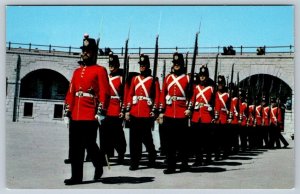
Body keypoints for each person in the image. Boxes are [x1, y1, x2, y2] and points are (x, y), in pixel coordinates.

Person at [63, 34, 110, 185]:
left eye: (88, 50)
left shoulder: (100, 70)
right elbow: (71, 91)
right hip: (76, 113)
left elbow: (105, 92)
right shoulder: (77, 72)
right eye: (84, 50)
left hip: (91, 114)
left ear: (94, 53)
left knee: (89, 144)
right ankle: (76, 177)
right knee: (76, 146)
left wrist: (101, 111)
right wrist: (67, 110)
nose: (85, 53)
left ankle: (98, 164)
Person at [124, 54, 159, 171]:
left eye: (144, 65)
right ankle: (134, 161)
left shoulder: (153, 80)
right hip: (134, 111)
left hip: (146, 112)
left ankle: (152, 156)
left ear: (148, 66)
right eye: (141, 65)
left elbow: (157, 97)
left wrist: (154, 110)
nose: (142, 67)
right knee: (134, 140)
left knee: (147, 138)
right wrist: (128, 110)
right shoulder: (135, 79)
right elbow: (130, 94)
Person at [158, 52, 191, 174]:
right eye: (175, 63)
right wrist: (161, 111)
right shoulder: (168, 78)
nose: (176, 65)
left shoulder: (188, 78)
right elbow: (163, 94)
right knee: (170, 142)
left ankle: (184, 163)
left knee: (182, 142)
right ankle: (171, 166)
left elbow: (192, 96)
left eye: (178, 63)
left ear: (182, 64)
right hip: (169, 113)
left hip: (182, 113)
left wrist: (190, 108)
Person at [99, 53, 127, 164]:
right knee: (104, 135)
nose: (111, 66)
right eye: (110, 64)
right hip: (106, 109)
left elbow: (125, 95)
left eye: (113, 64)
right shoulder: (106, 78)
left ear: (117, 65)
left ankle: (121, 153)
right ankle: (105, 158)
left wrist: (123, 110)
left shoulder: (121, 78)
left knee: (117, 135)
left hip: (116, 109)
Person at [190, 65, 215, 166]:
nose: (202, 77)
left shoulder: (212, 89)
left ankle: (208, 158)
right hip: (196, 116)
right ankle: (198, 159)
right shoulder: (196, 88)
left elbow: (215, 102)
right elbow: (192, 100)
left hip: (206, 117)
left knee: (207, 140)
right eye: (201, 75)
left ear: (207, 76)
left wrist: (212, 109)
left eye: (204, 76)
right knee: (197, 141)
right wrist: (190, 109)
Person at [214, 75, 230, 159]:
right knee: (216, 138)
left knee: (224, 138)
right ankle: (217, 154)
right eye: (218, 83)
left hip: (224, 117)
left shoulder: (227, 95)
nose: (220, 85)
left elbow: (230, 107)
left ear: (224, 84)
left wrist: (229, 117)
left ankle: (225, 153)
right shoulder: (215, 93)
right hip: (216, 118)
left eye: (221, 83)